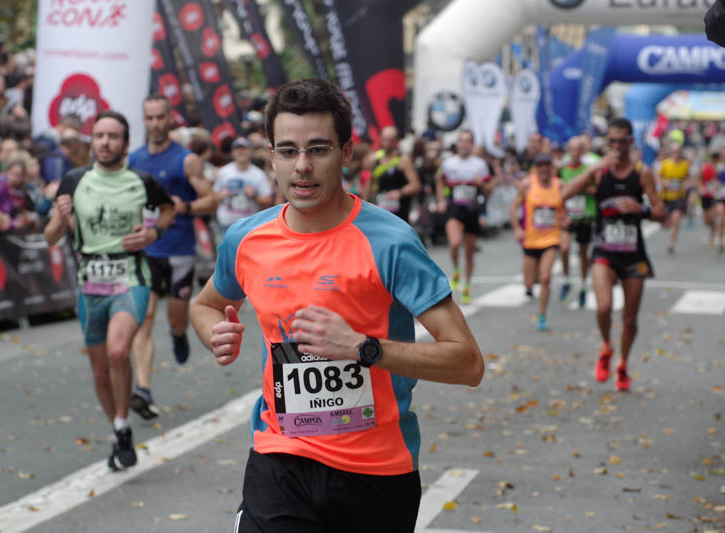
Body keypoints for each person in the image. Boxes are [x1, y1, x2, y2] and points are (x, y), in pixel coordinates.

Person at [189, 78, 484, 532]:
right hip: (280, 458)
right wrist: (214, 332)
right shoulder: (246, 240)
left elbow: (467, 363)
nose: (302, 166)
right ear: (271, 156)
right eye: (288, 151)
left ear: (346, 152)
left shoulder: (390, 241)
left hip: (376, 473)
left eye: (318, 149)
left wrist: (364, 348)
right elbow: (205, 305)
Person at [44, 110, 174, 471]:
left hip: (130, 277)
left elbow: (168, 209)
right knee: (101, 372)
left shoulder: (141, 181)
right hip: (90, 285)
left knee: (119, 351)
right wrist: (61, 216)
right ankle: (120, 428)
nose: (104, 142)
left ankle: (123, 418)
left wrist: (153, 233)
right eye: (99, 135)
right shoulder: (74, 180)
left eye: (113, 136)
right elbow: (50, 237)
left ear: (125, 144)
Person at [128, 94, 217, 419]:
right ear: (144, 120)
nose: (155, 123)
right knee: (144, 319)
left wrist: (187, 207)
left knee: (176, 320)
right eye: (149, 117)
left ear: (169, 119)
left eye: (160, 117)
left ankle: (179, 335)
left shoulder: (186, 160)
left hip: (179, 250)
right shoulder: (134, 159)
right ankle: (143, 389)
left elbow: (212, 200)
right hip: (147, 250)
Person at [562, 118, 665, 392]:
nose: (617, 146)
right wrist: (592, 169)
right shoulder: (599, 172)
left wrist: (641, 209)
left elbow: (661, 212)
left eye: (621, 141)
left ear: (630, 141)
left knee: (630, 319)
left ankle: (623, 364)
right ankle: (606, 345)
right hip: (604, 251)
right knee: (604, 307)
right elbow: (565, 193)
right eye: (612, 141)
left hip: (633, 254)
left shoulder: (642, 173)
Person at [510, 152, 563, 332]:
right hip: (531, 240)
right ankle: (531, 285)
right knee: (529, 282)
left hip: (551, 238)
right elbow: (514, 206)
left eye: (547, 165)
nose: (544, 169)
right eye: (540, 166)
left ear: (551, 168)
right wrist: (517, 228)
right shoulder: (527, 184)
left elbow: (565, 206)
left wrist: (566, 219)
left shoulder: (559, 185)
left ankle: (542, 315)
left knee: (546, 277)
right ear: (536, 168)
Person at [436, 129, 491, 303]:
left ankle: (467, 285)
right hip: (455, 208)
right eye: (461, 141)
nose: (464, 144)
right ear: (458, 144)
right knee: (454, 243)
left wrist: (482, 185)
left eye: (468, 141)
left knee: (469, 252)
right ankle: (456, 270)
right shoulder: (448, 163)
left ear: (472, 144)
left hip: (472, 210)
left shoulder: (480, 164)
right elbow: (439, 181)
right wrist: (441, 200)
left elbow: (489, 188)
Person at [558, 137, 595, 307]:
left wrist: (581, 187)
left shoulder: (588, 170)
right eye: (572, 149)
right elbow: (558, 191)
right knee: (564, 248)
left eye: (579, 149)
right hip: (568, 216)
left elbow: (596, 189)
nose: (575, 152)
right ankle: (566, 280)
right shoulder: (562, 170)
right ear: (568, 151)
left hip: (585, 215)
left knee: (583, 253)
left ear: (583, 151)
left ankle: (583, 284)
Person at [213, 136, 274, 233]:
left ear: (250, 152)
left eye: (244, 149)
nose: (241, 152)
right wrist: (221, 195)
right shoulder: (223, 172)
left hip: (249, 226)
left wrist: (254, 196)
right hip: (226, 224)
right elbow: (213, 196)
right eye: (237, 149)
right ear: (232, 152)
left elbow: (269, 200)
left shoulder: (259, 174)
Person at [362, 125, 421, 223]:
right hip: (379, 209)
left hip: (399, 213)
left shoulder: (403, 160)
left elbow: (416, 185)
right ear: (381, 139)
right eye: (385, 139)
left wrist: (399, 192)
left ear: (397, 141)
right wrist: (364, 206)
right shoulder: (373, 159)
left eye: (391, 140)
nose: (388, 143)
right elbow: (368, 183)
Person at [658, 143, 689, 255]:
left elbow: (688, 178)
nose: (676, 154)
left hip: (679, 197)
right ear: (671, 153)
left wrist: (685, 184)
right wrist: (665, 183)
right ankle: (667, 225)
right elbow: (659, 178)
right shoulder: (665, 163)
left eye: (678, 152)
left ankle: (671, 244)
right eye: (674, 152)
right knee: (667, 221)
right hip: (666, 197)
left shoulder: (685, 164)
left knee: (676, 218)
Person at [700, 151, 724, 253]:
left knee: (720, 217)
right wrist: (701, 188)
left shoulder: (720, 168)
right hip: (709, 196)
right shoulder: (706, 168)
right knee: (707, 220)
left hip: (718, 198)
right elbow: (700, 179)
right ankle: (714, 230)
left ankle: (720, 241)